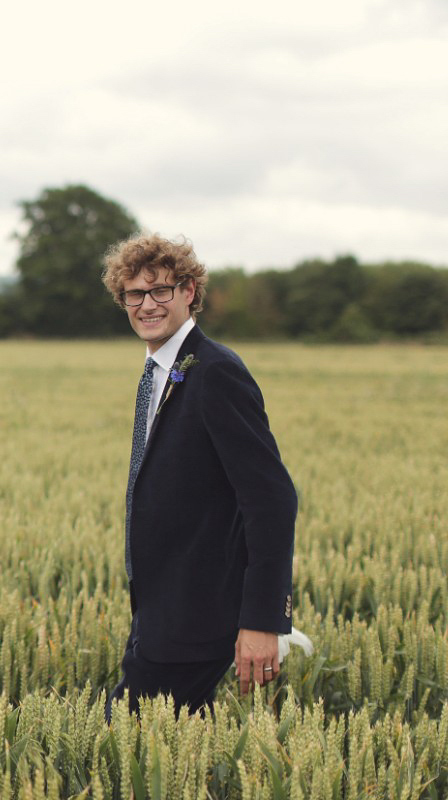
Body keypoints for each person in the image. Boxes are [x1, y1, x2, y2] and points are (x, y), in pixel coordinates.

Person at [101, 234, 309, 718]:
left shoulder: (215, 371)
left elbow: (273, 499)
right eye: (135, 294)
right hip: (163, 608)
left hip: (199, 613)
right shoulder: (161, 368)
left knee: (125, 733)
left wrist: (262, 621)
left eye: (161, 291)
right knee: (159, 747)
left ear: (190, 291)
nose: (147, 305)